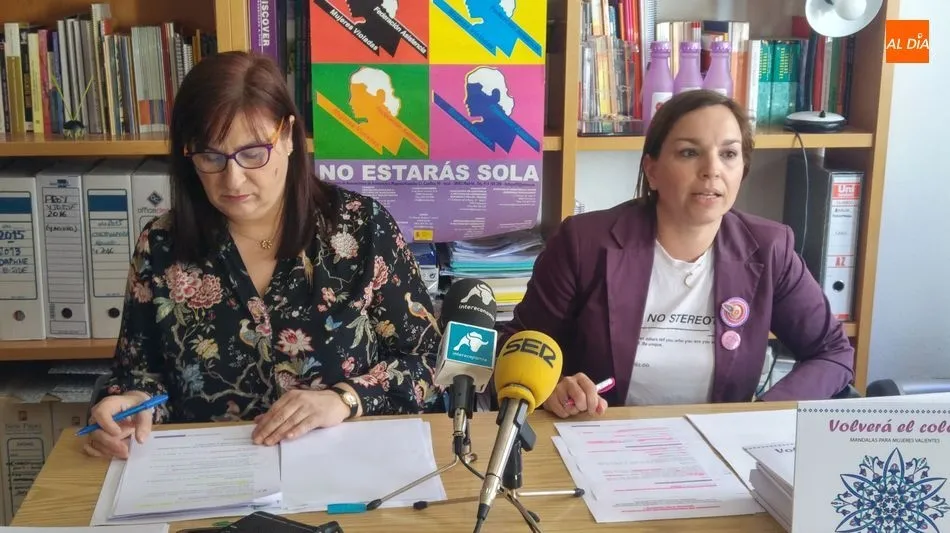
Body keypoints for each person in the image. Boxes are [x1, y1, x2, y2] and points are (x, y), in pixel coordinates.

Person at [84, 51, 443, 460]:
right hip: (209, 476)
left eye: (253, 153)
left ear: (287, 136)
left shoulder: (360, 229)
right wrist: (126, 405)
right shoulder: (162, 246)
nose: (232, 179)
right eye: (211, 157)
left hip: (343, 468)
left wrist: (344, 399)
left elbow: (429, 363)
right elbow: (139, 375)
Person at [503, 89, 855, 419]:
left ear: (742, 169)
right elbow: (515, 346)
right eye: (689, 152)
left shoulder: (770, 248)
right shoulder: (584, 243)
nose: (712, 169)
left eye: (729, 154)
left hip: (718, 447)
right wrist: (552, 387)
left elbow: (833, 352)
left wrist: (761, 413)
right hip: (600, 436)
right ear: (652, 170)